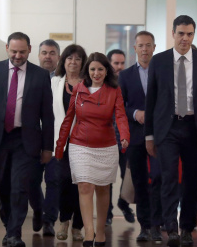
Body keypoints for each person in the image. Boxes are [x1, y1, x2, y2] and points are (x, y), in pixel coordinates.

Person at [144, 15, 197, 246]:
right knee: (168, 178)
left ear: (193, 35)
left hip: (194, 128)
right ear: (173, 34)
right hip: (168, 128)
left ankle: (187, 227)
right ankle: (171, 227)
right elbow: (151, 100)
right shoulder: (159, 61)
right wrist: (149, 135)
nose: (185, 38)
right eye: (181, 33)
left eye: (189, 34)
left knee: (192, 180)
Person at [0, 32, 54, 247]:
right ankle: (9, 227)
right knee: (2, 186)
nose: (18, 56)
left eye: (22, 51)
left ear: (29, 49)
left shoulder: (40, 75)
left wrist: (47, 147)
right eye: (14, 51)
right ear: (7, 48)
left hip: (25, 140)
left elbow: (47, 115)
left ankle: (14, 234)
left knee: (20, 187)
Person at [55, 52, 130, 247]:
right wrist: (60, 145)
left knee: (103, 189)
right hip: (80, 145)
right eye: (92, 69)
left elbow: (121, 116)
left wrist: (124, 136)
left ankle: (101, 231)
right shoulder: (79, 89)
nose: (96, 73)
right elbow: (68, 118)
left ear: (107, 71)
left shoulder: (114, 90)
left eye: (100, 69)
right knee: (84, 186)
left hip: (106, 146)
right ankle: (89, 233)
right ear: (87, 71)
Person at [118, 31, 163, 242]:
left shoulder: (163, 72)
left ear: (154, 47)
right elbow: (120, 106)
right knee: (139, 182)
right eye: (140, 46)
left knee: (159, 179)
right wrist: (136, 114)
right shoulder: (125, 76)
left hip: (161, 135)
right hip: (135, 135)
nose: (144, 49)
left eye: (148, 45)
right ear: (134, 49)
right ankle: (145, 226)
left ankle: (157, 224)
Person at [44, 44, 87, 241]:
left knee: (81, 184)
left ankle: (78, 226)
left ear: (82, 62)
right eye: (70, 58)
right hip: (61, 141)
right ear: (64, 60)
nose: (73, 62)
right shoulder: (54, 82)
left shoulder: (90, 84)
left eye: (78, 58)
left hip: (85, 141)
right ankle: (64, 221)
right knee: (62, 181)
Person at [28, 39, 61, 235]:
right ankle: (38, 209)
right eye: (44, 52)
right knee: (31, 180)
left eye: (51, 53)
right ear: (38, 55)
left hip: (56, 139)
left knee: (54, 180)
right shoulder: (29, 77)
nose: (47, 56)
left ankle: (49, 221)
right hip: (32, 138)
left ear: (58, 56)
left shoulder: (64, 80)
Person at [105, 49, 136, 226]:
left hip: (125, 139)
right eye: (116, 63)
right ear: (109, 64)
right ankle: (107, 212)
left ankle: (123, 203)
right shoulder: (103, 83)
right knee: (107, 178)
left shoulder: (129, 82)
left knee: (128, 176)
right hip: (108, 139)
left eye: (122, 63)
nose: (119, 67)